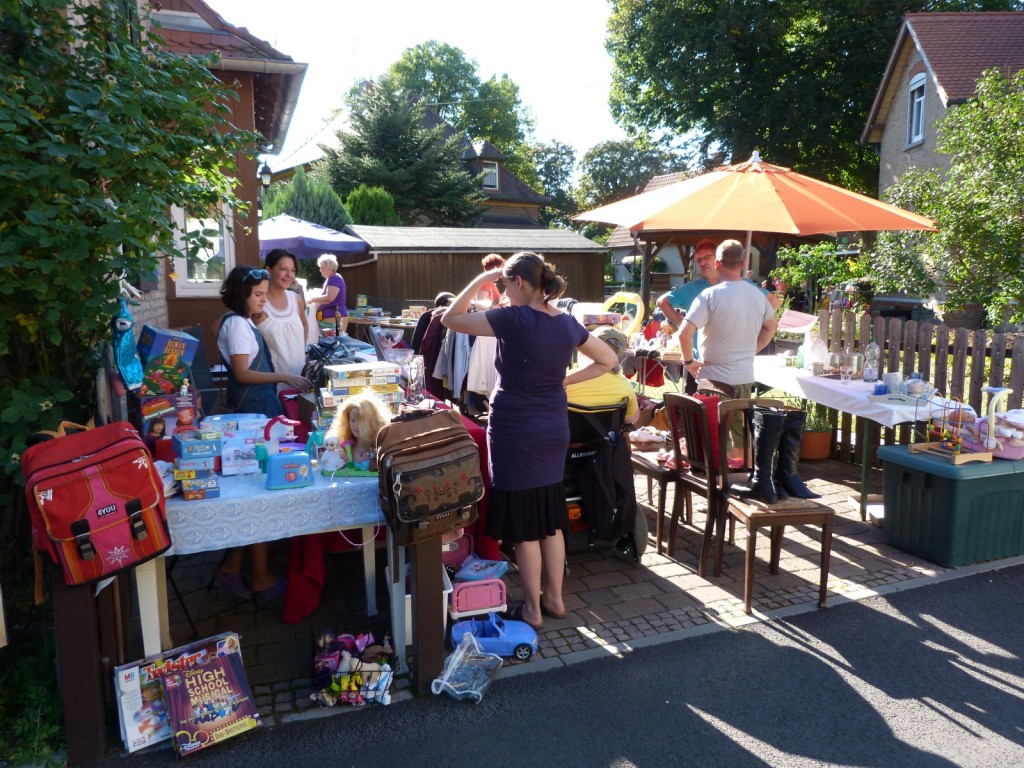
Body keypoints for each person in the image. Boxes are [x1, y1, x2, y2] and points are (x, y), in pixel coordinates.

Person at [442, 252, 618, 632]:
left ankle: (534, 609)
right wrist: (563, 382)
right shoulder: (566, 323)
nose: (503, 292)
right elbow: (608, 359)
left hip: (515, 430)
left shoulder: (513, 318)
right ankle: (555, 598)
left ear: (518, 283)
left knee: (524, 525)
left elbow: (449, 318)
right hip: (553, 427)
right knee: (550, 519)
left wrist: (478, 281)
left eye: (505, 285)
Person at [213, 265, 311, 601]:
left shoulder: (235, 322)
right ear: (242, 294)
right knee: (262, 496)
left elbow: (219, 332)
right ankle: (260, 576)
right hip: (254, 413)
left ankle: (231, 567)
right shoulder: (239, 325)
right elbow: (242, 373)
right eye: (257, 296)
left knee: (255, 493)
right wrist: (283, 376)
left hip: (255, 411)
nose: (262, 302)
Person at [675, 240, 779, 456]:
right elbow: (771, 326)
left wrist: (688, 362)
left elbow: (684, 333)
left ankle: (717, 481)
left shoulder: (709, 295)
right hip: (743, 378)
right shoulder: (758, 296)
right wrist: (753, 349)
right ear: (742, 263)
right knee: (741, 437)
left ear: (717, 263)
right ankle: (743, 480)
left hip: (713, 381)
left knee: (712, 438)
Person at [657, 239, 781, 393]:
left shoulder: (741, 289)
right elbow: (662, 303)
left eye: (706, 258)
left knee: (712, 416)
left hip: (727, 376)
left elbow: (774, 304)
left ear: (716, 261)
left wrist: (748, 320)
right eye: (699, 260)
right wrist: (684, 323)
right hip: (705, 369)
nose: (702, 263)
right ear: (742, 265)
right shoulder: (697, 290)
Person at [254, 249, 308, 391]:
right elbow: (222, 327)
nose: (289, 275)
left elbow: (304, 323)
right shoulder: (258, 303)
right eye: (284, 269)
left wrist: (301, 349)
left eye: (293, 270)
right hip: (271, 383)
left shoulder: (296, 299)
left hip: (300, 378)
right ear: (269, 270)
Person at [565, 326, 640, 424]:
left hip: (563, 437)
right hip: (603, 438)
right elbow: (632, 419)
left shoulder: (565, 380)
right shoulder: (624, 385)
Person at [307, 254, 348, 335]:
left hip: (334, 317)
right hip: (333, 317)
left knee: (332, 344)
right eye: (320, 268)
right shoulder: (331, 278)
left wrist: (312, 299)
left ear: (330, 268)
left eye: (323, 268)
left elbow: (329, 298)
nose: (320, 270)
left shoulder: (334, 278)